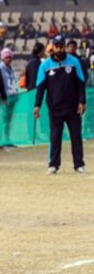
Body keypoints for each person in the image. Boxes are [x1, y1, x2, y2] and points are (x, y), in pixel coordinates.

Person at [34, 36, 87, 174]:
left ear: (64, 47)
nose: (59, 49)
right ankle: (53, 165)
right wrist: (37, 105)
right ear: (53, 47)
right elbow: (40, 87)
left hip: (73, 108)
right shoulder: (45, 65)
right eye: (56, 46)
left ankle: (79, 164)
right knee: (55, 137)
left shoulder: (74, 62)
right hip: (55, 108)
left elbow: (81, 82)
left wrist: (82, 101)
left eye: (61, 46)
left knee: (76, 137)